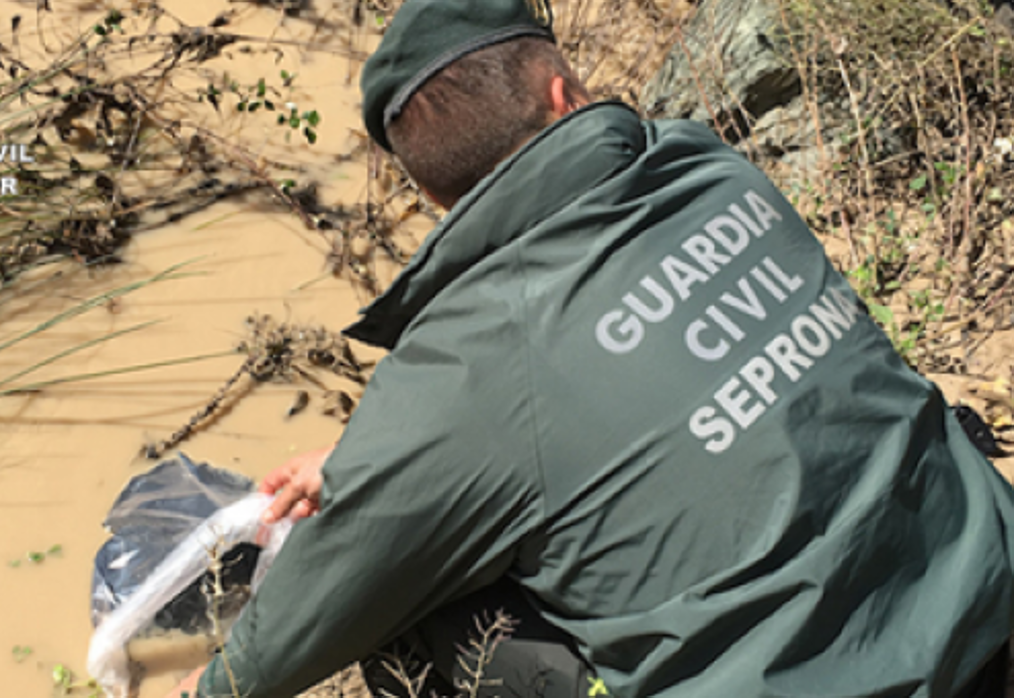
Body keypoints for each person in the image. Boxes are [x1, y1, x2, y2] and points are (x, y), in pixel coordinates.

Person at [173, 0, 1014, 695]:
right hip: (992, 586)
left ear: (430, 192)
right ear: (566, 94)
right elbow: (647, 379)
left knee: (410, 606)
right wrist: (373, 459)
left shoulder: (464, 364)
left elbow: (287, 640)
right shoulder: (715, 170)